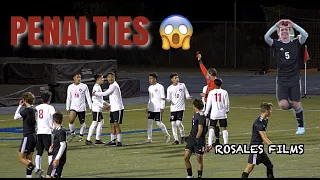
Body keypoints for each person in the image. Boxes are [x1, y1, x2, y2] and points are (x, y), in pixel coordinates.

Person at [264, 19, 308, 135]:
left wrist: (293, 24)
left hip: (294, 78)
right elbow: (266, 37)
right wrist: (275, 25)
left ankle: (301, 126)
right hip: (282, 79)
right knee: (283, 105)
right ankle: (295, 108)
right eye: (281, 30)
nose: (284, 31)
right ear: (278, 33)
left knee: (296, 103)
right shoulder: (276, 44)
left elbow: (305, 34)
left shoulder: (296, 42)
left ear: (290, 32)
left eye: (286, 30)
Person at [242, 102, 274, 178]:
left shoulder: (265, 119)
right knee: (249, 167)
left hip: (260, 147)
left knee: (269, 165)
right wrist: (273, 146)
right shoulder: (258, 123)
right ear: (266, 111)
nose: (271, 112)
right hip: (255, 147)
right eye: (270, 110)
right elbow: (264, 138)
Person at [92, 72, 124, 146]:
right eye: (108, 77)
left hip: (118, 108)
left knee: (116, 124)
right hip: (113, 109)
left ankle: (119, 141)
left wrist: (95, 93)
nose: (109, 78)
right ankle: (113, 140)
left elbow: (105, 94)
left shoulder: (114, 85)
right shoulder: (111, 85)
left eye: (111, 77)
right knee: (112, 124)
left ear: (114, 77)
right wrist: (108, 105)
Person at [197, 53, 221, 145]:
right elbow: (203, 70)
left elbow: (214, 94)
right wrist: (200, 60)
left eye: (208, 74)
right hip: (209, 104)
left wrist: (205, 95)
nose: (206, 75)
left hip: (213, 105)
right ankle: (215, 140)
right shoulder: (210, 80)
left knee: (209, 123)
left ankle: (206, 140)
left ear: (211, 75)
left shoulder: (216, 83)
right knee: (210, 122)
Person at [13, 92, 37, 178]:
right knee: (29, 158)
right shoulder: (35, 109)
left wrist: (19, 105)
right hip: (35, 135)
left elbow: (15, 117)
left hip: (28, 136)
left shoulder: (27, 110)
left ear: (24, 100)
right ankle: (29, 176)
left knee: (21, 158)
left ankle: (36, 170)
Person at [166, 72, 192, 145]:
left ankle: (183, 135)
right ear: (172, 79)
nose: (177, 79)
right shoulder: (169, 88)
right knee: (173, 124)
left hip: (180, 108)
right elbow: (168, 99)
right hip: (173, 108)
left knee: (178, 123)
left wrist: (188, 97)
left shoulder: (182, 85)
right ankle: (176, 140)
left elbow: (186, 93)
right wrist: (164, 99)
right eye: (175, 78)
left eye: (177, 77)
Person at [34, 92, 56, 178]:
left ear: (41, 99)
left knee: (39, 152)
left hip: (38, 132)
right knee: (50, 152)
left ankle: (38, 171)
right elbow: (54, 117)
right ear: (49, 99)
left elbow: (34, 119)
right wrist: (53, 127)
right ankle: (51, 172)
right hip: (47, 132)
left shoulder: (37, 107)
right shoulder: (50, 107)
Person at [184, 99, 208, 178]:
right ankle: (190, 175)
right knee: (186, 157)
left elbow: (200, 129)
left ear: (195, 106)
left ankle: (199, 176)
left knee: (199, 160)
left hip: (199, 141)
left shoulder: (201, 115)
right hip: (191, 139)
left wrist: (196, 139)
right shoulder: (196, 114)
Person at [204, 79, 229, 152]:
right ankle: (226, 144)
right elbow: (227, 103)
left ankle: (209, 144)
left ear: (214, 84)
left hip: (214, 113)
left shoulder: (211, 92)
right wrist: (227, 110)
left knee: (211, 127)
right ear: (221, 84)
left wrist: (206, 112)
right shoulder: (225, 92)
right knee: (224, 128)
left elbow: (209, 103)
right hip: (222, 113)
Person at [66, 73, 92, 142]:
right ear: (74, 78)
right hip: (73, 107)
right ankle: (73, 133)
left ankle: (81, 135)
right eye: (77, 77)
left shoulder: (84, 86)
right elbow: (68, 97)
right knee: (71, 121)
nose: (79, 79)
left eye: (80, 77)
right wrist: (67, 107)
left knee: (82, 122)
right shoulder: (70, 87)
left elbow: (88, 97)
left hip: (81, 107)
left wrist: (90, 106)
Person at [145, 72, 171, 143]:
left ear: (155, 79)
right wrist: (148, 107)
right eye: (149, 79)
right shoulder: (149, 88)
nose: (150, 80)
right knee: (149, 123)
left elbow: (163, 97)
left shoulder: (160, 87)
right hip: (151, 108)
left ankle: (167, 135)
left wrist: (162, 107)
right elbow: (150, 98)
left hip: (157, 108)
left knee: (159, 123)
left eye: (151, 78)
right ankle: (149, 138)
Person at [86, 74, 110, 145]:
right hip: (96, 109)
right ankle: (88, 139)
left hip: (98, 108)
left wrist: (105, 103)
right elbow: (94, 99)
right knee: (95, 123)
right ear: (98, 79)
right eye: (102, 78)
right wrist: (102, 105)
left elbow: (99, 99)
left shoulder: (98, 87)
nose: (103, 80)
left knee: (101, 122)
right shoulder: (96, 87)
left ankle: (97, 139)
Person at [46, 112, 68, 178]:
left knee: (49, 176)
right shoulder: (60, 130)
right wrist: (52, 145)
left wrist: (57, 159)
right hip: (58, 157)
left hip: (58, 158)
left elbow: (63, 145)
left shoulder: (60, 131)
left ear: (54, 121)